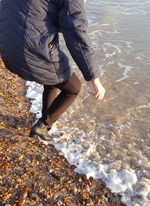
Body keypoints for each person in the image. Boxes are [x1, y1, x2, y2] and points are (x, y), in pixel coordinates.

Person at [0, 0, 105, 141]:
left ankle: (44, 120)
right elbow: (76, 36)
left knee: (52, 77)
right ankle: (43, 125)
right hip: (28, 51)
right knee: (73, 88)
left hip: (7, 47)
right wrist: (95, 79)